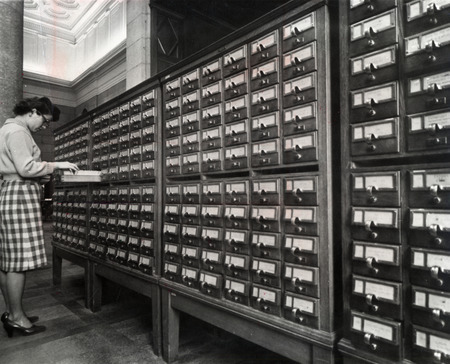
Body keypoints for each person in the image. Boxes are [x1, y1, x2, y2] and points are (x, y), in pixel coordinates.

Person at [0, 97, 78, 337]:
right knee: (17, 263)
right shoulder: (18, 132)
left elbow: (20, 168)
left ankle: (13, 311)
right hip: (19, 196)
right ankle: (16, 317)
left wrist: (40, 173)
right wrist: (57, 165)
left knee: (7, 261)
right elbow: (25, 168)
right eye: (44, 122)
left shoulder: (7, 128)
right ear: (33, 112)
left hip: (9, 193)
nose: (43, 127)